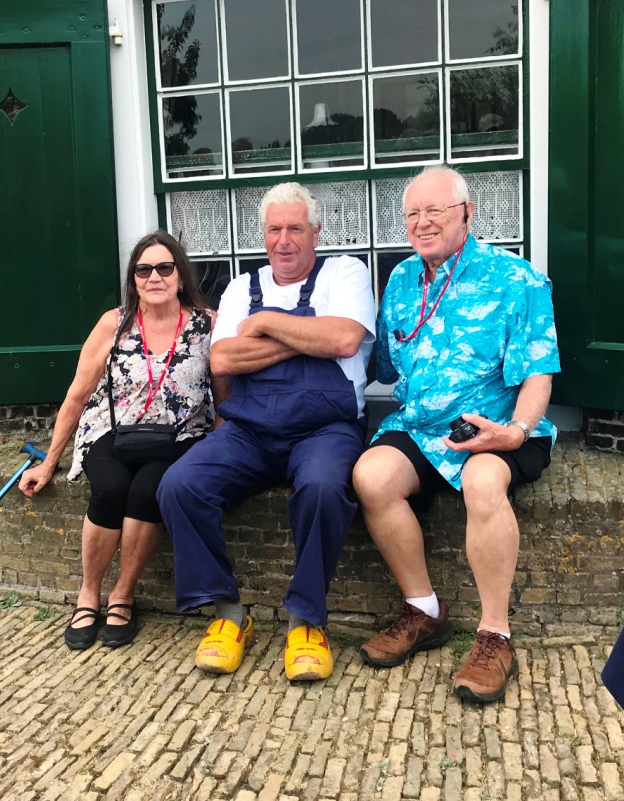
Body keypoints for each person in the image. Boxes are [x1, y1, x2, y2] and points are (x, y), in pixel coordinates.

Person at [353, 164, 560, 703]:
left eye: (435, 210)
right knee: (371, 476)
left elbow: (539, 373)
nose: (422, 222)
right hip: (422, 426)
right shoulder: (401, 280)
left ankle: (494, 636)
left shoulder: (516, 279)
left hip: (497, 425)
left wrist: (516, 431)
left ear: (468, 213)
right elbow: (383, 365)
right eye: (412, 214)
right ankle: (424, 610)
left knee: (483, 482)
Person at [157, 183, 376, 682]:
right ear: (264, 235)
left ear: (315, 231)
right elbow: (223, 359)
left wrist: (265, 324)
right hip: (250, 430)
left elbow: (345, 339)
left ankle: (306, 620)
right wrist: (308, 337)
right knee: (179, 485)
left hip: (326, 428)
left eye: (295, 228)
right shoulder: (241, 287)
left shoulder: (345, 272)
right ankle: (229, 614)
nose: (284, 240)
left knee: (323, 488)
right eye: (274, 229)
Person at [19, 231, 227, 651]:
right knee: (111, 489)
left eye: (164, 267)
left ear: (180, 276)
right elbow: (77, 394)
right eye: (143, 270)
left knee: (148, 491)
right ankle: (88, 594)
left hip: (179, 435)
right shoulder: (113, 323)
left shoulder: (208, 324)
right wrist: (49, 461)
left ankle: (123, 594)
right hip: (112, 431)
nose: (154, 277)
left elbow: (224, 396)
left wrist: (220, 451)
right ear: (133, 279)